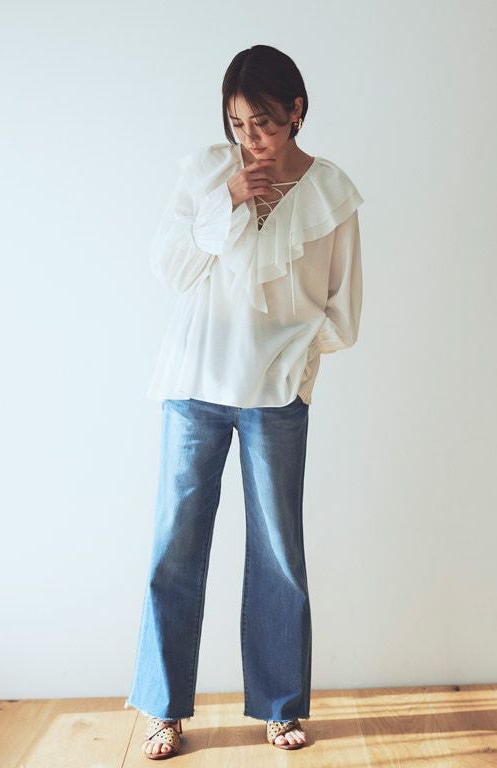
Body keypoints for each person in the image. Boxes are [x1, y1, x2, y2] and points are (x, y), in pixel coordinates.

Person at [124, 43, 364, 759]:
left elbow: (343, 310)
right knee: (175, 548)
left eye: (263, 122)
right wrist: (225, 199)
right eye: (238, 125)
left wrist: (295, 364)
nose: (251, 139)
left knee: (279, 554)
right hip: (193, 386)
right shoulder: (206, 173)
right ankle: (163, 709)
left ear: (296, 111)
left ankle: (280, 706)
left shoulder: (331, 192)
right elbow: (170, 268)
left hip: (275, 396)